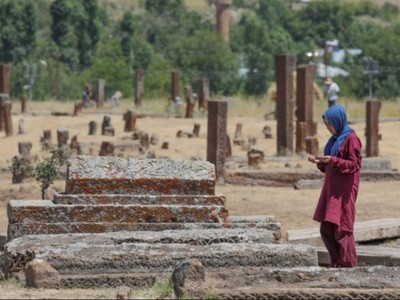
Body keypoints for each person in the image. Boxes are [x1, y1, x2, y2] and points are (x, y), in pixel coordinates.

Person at [308, 105, 362, 268]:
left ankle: (348, 263)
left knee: (342, 227)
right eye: (326, 125)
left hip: (344, 190)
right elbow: (330, 164)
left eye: (329, 124)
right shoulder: (334, 139)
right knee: (327, 226)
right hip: (331, 188)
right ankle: (336, 261)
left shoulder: (351, 138)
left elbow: (354, 164)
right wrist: (321, 162)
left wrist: (332, 160)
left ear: (338, 121)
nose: (328, 128)